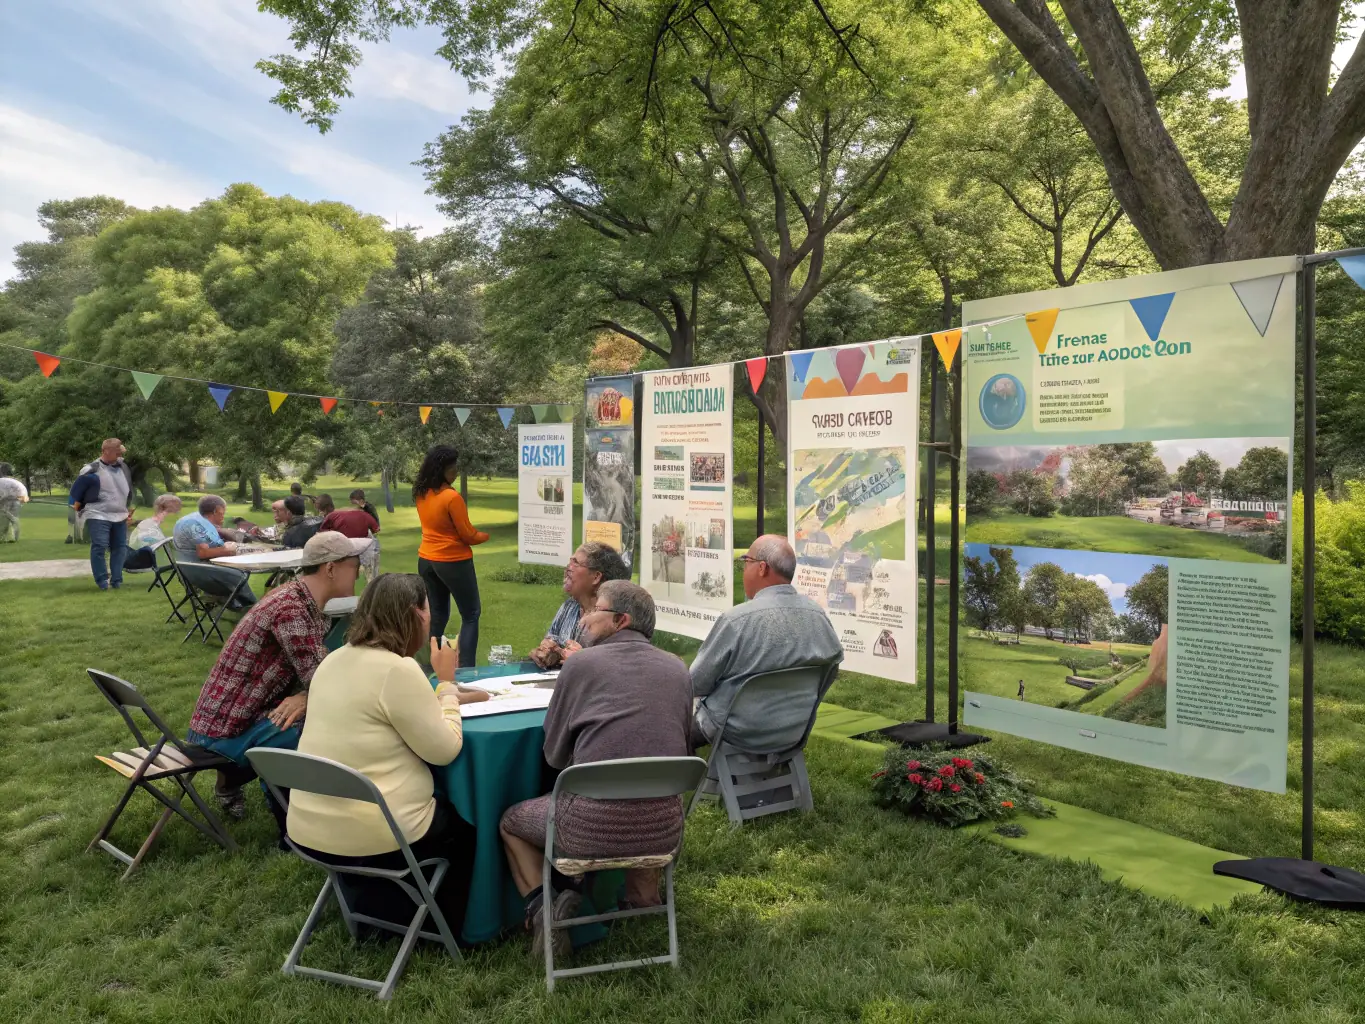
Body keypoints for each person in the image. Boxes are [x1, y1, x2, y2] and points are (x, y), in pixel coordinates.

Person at [287, 574, 488, 935]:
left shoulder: (332, 662)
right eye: (428, 608)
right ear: (416, 614)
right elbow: (444, 751)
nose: (430, 616)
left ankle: (376, 911)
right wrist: (445, 684)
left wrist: (442, 694)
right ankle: (450, 929)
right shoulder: (398, 669)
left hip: (309, 827)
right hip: (374, 832)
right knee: (470, 826)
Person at [500, 581, 692, 955]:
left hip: (585, 832)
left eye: (593, 612)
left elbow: (553, 756)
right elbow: (679, 748)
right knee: (633, 797)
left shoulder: (582, 664)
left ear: (620, 620)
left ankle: (543, 910)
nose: (584, 620)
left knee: (510, 821)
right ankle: (632, 898)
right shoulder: (677, 668)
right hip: (664, 832)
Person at [186, 531, 369, 822]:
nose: (358, 574)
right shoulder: (291, 610)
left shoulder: (299, 600)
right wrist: (311, 696)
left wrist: (306, 695)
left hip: (224, 721)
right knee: (323, 723)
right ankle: (288, 815)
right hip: (224, 733)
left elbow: (317, 675)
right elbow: (327, 683)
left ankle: (242, 786)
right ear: (331, 568)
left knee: (309, 710)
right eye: (354, 565)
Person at [689, 535, 843, 750]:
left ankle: (666, 778)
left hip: (733, 730)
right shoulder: (818, 616)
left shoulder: (737, 620)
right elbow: (831, 669)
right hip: (791, 731)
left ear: (762, 568)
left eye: (746, 562)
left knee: (667, 721)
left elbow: (695, 683)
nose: (743, 570)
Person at [414, 445, 489, 667]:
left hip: (426, 559)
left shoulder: (421, 493)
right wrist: (485, 536)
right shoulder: (451, 497)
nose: (456, 471)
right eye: (452, 467)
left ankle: (429, 666)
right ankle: (466, 668)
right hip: (453, 561)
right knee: (471, 613)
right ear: (441, 470)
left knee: (437, 615)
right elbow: (468, 535)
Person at [528, 542, 630, 669]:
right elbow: (551, 641)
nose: (567, 568)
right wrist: (546, 653)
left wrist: (583, 660)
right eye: (570, 561)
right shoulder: (570, 606)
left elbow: (620, 666)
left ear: (596, 577)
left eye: (575, 563)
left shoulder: (613, 616)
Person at [173, 494, 257, 609]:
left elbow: (209, 544)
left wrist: (225, 545)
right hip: (201, 572)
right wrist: (230, 550)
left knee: (241, 567)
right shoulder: (195, 525)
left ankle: (233, 602)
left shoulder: (197, 518)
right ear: (217, 510)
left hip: (191, 568)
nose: (224, 515)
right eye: (223, 511)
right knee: (241, 573)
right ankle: (252, 606)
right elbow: (203, 553)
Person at [78, 439, 136, 590]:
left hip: (120, 513)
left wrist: (129, 506)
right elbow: (78, 492)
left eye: (120, 453)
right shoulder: (91, 469)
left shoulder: (123, 467)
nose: (119, 455)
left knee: (120, 547)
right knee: (100, 545)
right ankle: (102, 580)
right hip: (97, 513)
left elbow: (128, 487)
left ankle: (116, 580)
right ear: (106, 451)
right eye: (117, 452)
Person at [0, 463, 29, 543]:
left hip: (10, 501)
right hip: (19, 499)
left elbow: (3, 497)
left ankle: (3, 538)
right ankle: (14, 538)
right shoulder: (11, 481)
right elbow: (24, 497)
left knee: (4, 519)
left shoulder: (1, 482)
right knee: (14, 519)